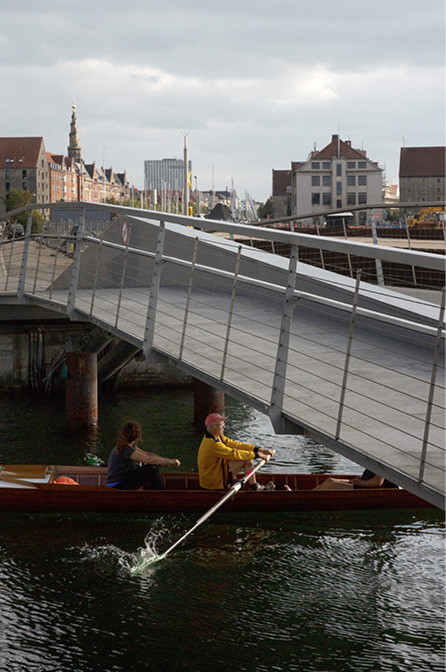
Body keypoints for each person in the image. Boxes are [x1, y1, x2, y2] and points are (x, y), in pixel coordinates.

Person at [197, 412, 274, 490]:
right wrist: (257, 455)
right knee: (245, 458)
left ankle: (254, 487)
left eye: (223, 424)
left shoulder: (218, 437)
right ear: (212, 427)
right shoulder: (212, 444)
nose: (224, 427)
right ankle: (229, 484)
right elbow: (233, 453)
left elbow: (235, 445)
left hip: (219, 471)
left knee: (247, 461)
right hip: (213, 482)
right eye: (221, 425)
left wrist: (259, 450)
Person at [106, 420, 180, 490]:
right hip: (117, 485)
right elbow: (147, 459)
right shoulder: (125, 449)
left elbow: (147, 454)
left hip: (122, 481)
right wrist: (171, 461)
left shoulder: (129, 446)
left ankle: (162, 493)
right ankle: (164, 496)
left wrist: (166, 461)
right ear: (137, 435)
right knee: (150, 468)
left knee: (152, 467)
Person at [313, 468, 398, 491]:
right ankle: (311, 495)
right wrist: (361, 479)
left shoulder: (382, 461)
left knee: (331, 484)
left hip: (371, 488)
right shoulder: (376, 457)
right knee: (330, 480)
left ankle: (310, 499)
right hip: (364, 484)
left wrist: (357, 483)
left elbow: (377, 482)